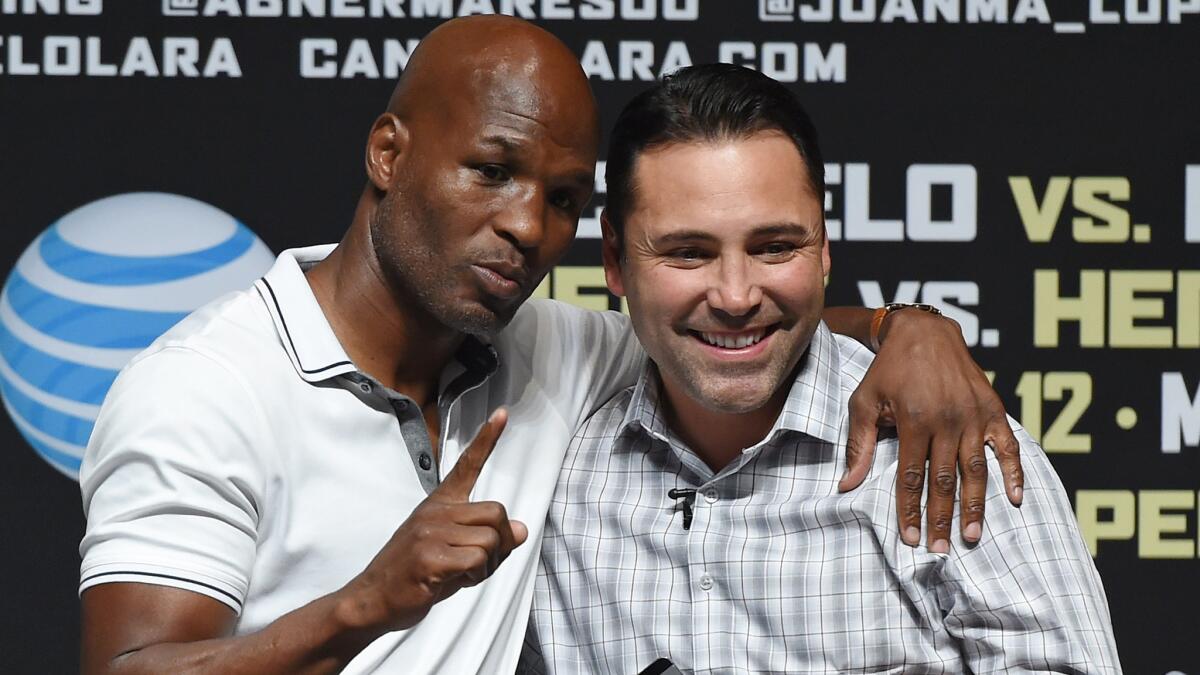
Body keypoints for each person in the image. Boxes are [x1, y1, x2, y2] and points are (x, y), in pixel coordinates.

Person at [79, 17, 1023, 675]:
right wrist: (364, 602)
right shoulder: (206, 389)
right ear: (388, 151)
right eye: (491, 171)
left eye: (564, 198)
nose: (527, 225)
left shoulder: (547, 351)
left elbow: (724, 319)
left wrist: (912, 330)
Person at [520, 63, 1120, 674]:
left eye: (775, 247)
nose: (735, 296)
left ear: (824, 246)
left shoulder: (947, 446)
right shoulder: (553, 476)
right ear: (615, 261)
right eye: (688, 253)